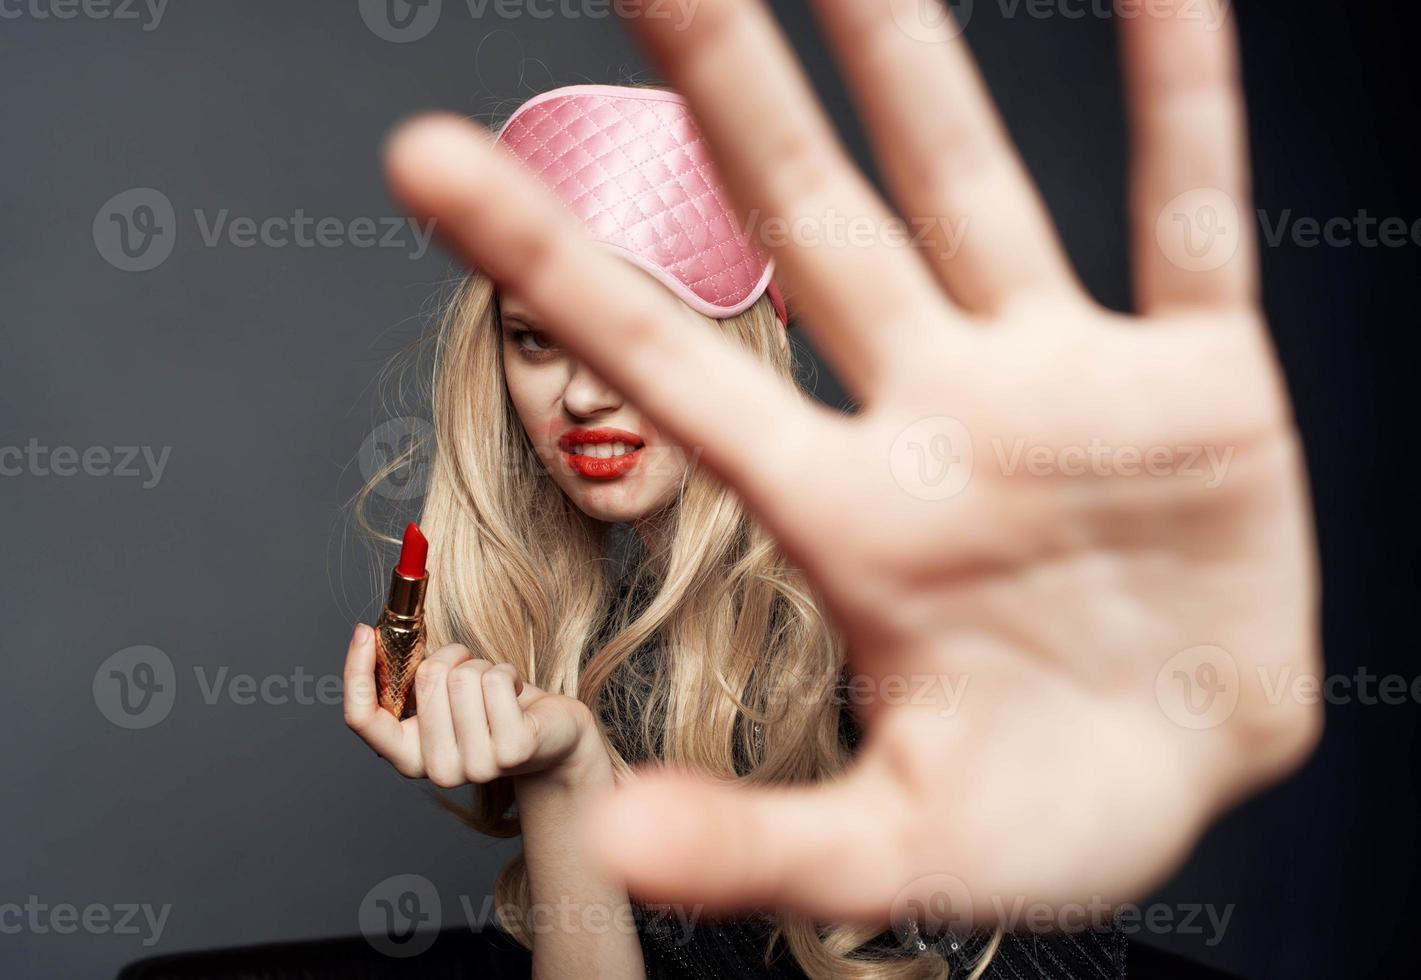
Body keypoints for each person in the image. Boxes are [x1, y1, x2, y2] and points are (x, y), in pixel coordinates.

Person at [351, 0, 1322, 974]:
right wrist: (566, 773)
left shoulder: (876, 611)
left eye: (637, 329)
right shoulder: (595, 649)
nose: (586, 390)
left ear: (744, 341)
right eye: (536, 338)